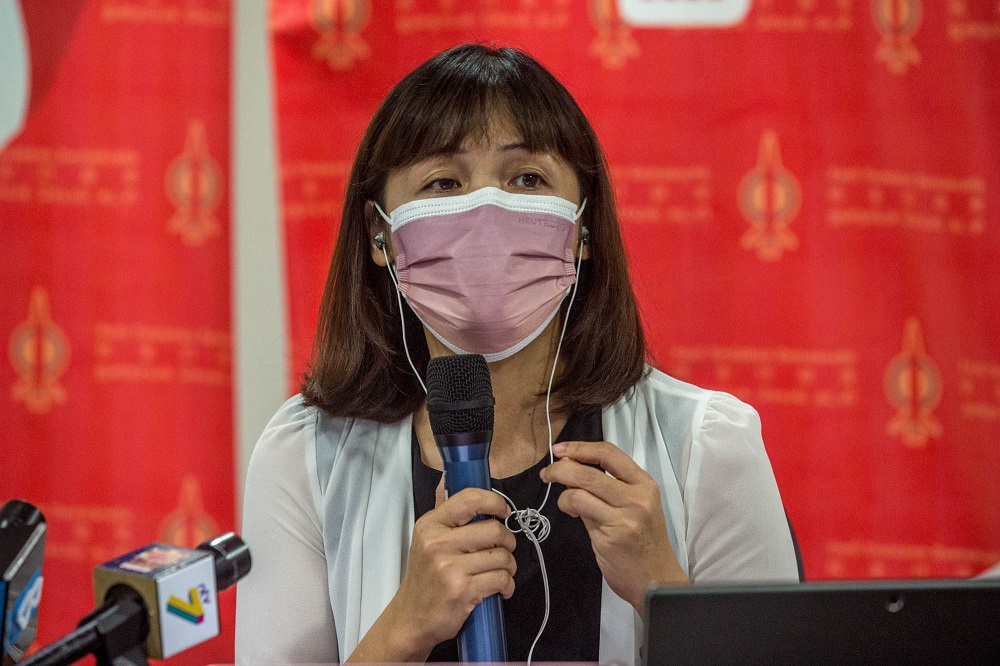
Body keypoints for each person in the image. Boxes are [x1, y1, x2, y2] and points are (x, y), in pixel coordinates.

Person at [234, 43, 799, 665]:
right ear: (379, 235)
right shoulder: (305, 459)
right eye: (443, 181)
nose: (486, 208)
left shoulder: (707, 445)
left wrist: (663, 592)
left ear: (583, 227)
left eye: (527, 178)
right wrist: (403, 628)